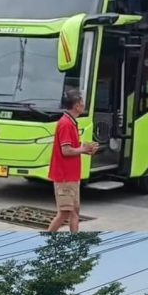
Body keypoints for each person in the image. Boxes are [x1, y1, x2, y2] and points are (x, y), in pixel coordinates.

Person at [46, 89, 98, 232]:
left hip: (72, 176)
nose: (84, 105)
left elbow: (72, 148)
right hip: (65, 176)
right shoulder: (66, 124)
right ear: (76, 105)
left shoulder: (71, 122)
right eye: (82, 102)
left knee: (75, 211)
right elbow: (66, 150)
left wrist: (85, 149)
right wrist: (83, 149)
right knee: (64, 212)